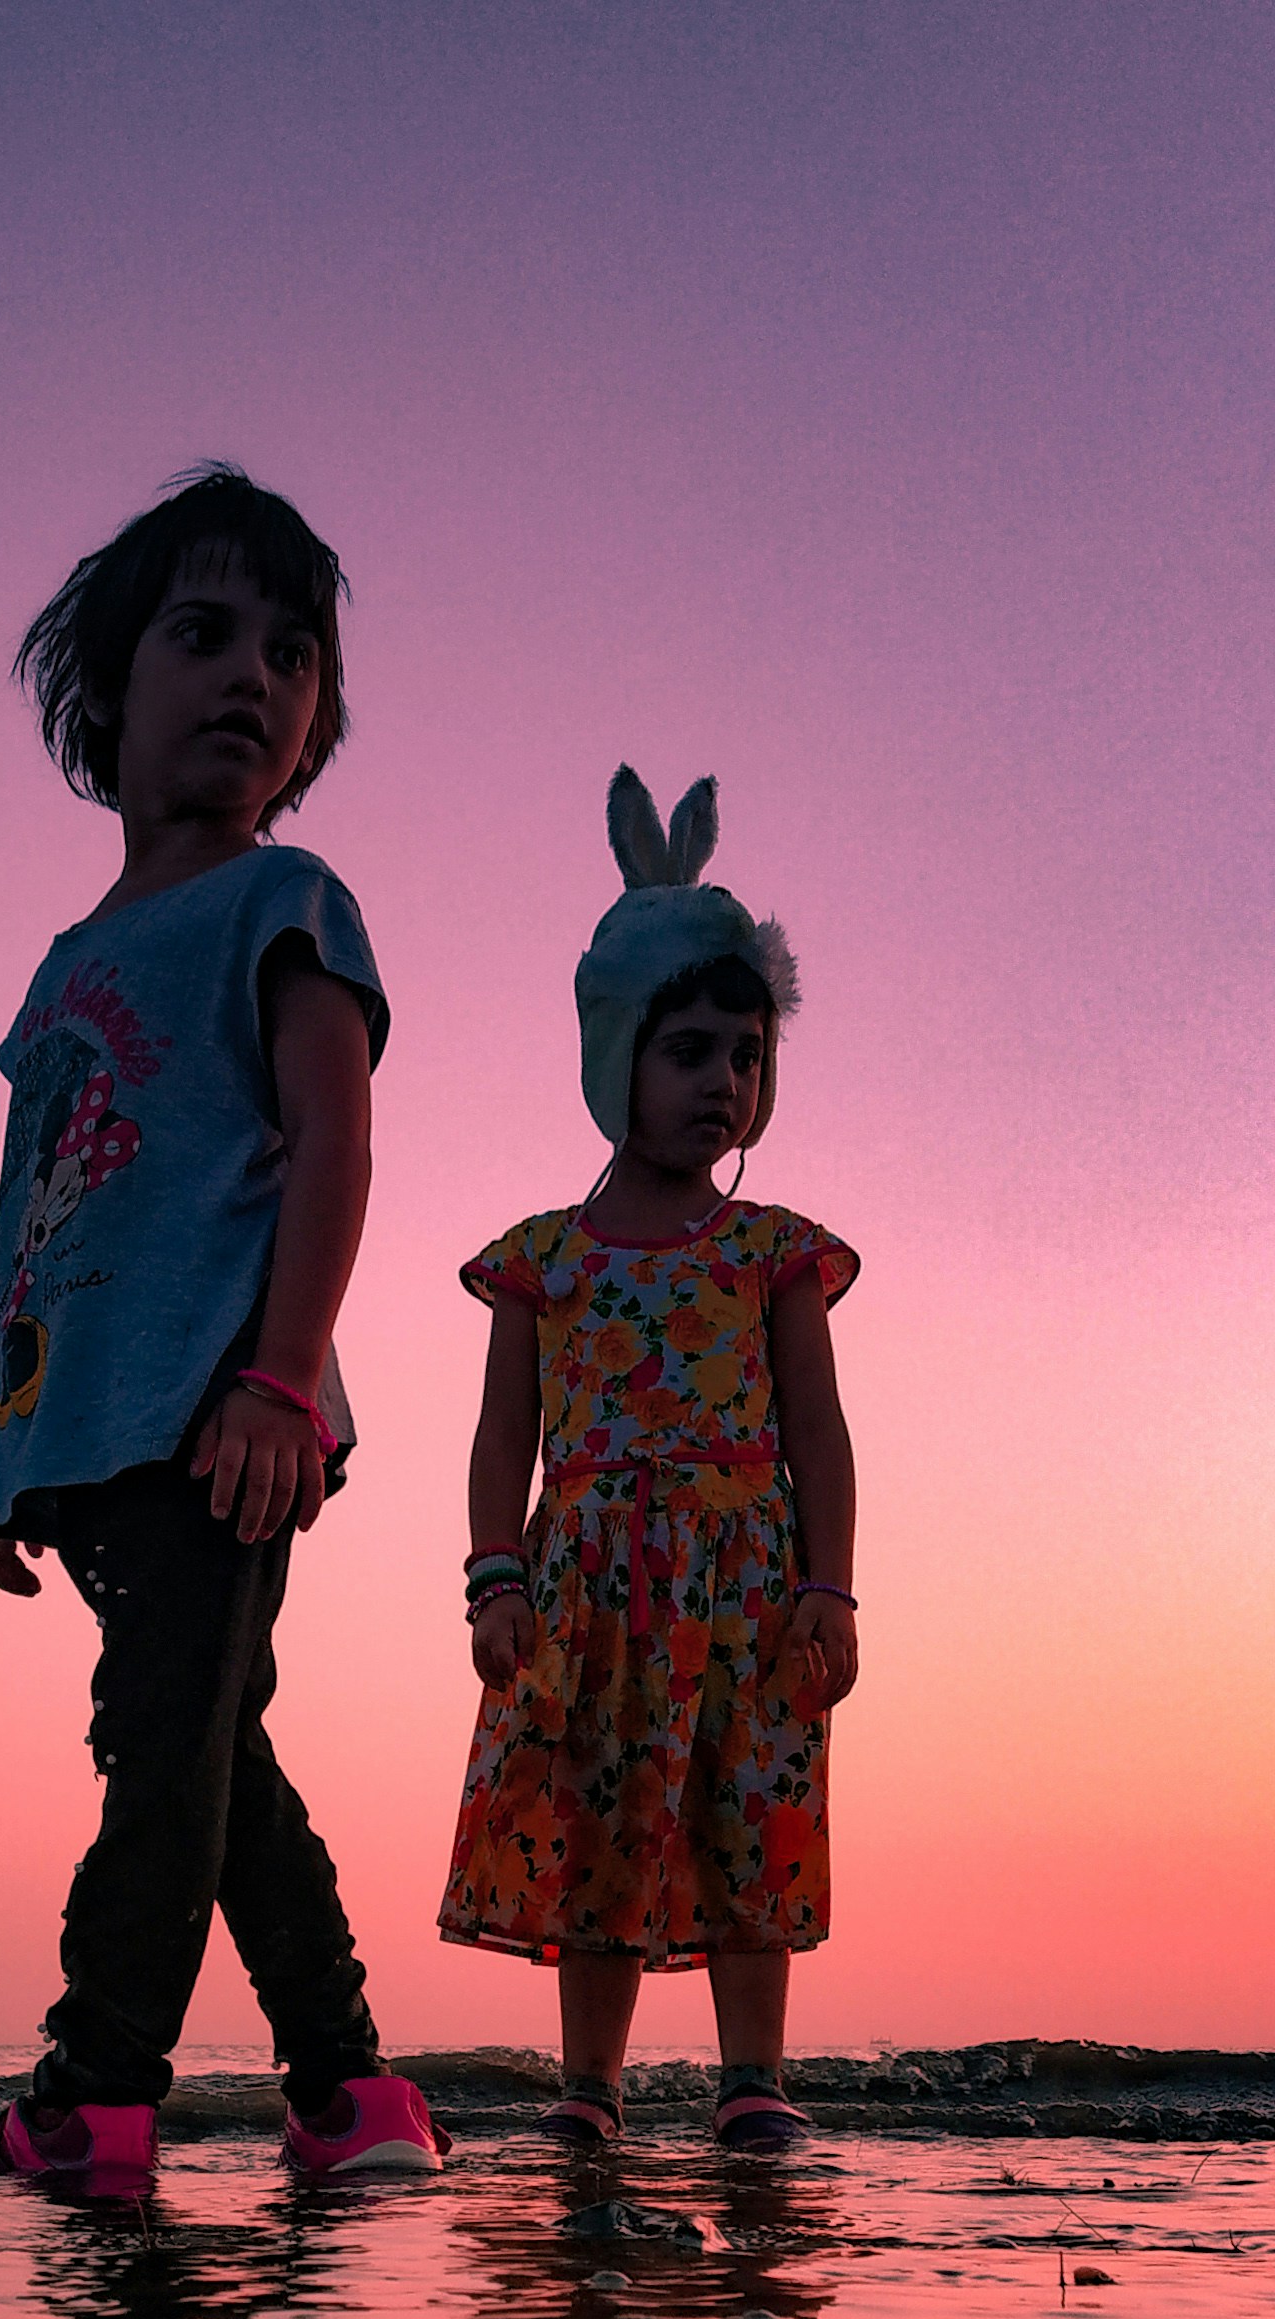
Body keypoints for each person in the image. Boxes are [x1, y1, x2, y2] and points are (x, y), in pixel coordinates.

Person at [0, 466, 443, 2186]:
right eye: (205, 634)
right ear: (109, 689)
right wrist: (2, 1458)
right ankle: (349, 2092)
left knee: (163, 1739)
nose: (255, 673)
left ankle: (97, 2094)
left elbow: (334, 1142)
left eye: (292, 653)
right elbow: (38, 1231)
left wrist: (282, 1376)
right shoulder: (57, 971)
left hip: (228, 1407)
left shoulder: (285, 899)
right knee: (201, 1735)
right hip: (94, 1433)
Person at [440, 766, 859, 2154]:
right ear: (614, 1056)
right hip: (586, 1587)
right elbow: (505, 1435)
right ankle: (590, 2088)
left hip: (746, 1583)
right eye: (689, 1052)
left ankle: (752, 2080)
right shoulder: (540, 1262)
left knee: (747, 1809)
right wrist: (494, 1577)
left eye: (745, 1058)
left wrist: (831, 1591)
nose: (722, 1084)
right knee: (596, 1823)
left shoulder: (770, 1251)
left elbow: (817, 1431)